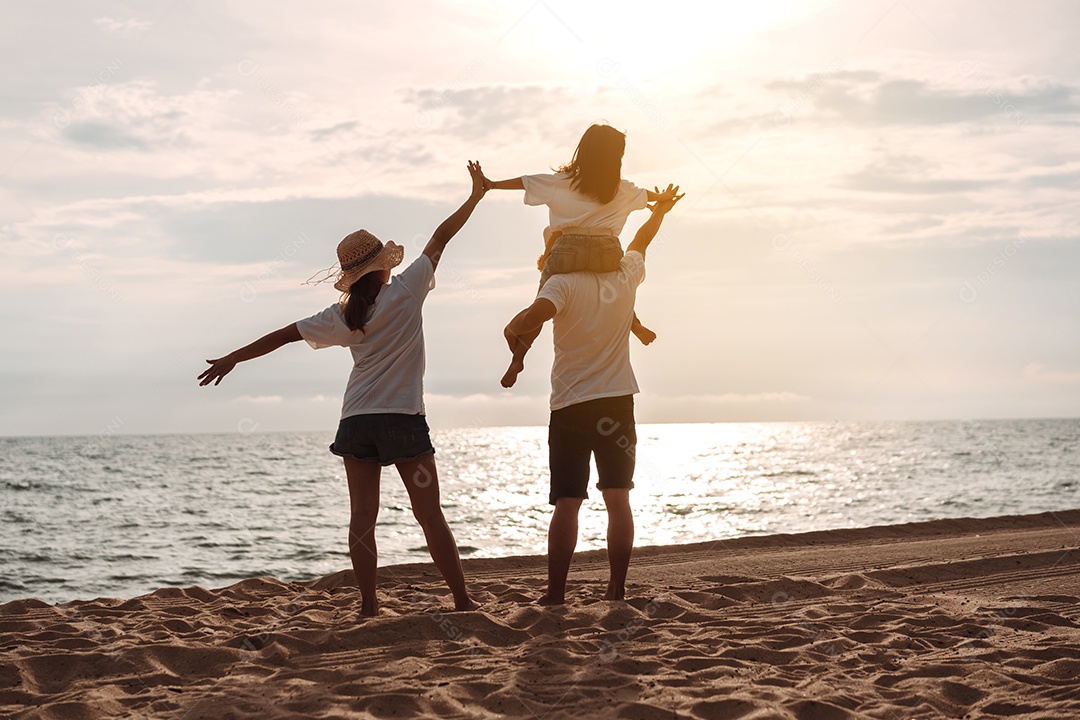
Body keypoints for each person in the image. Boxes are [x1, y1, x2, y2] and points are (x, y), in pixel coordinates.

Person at [197, 162, 488, 617]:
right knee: (429, 515)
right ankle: (463, 601)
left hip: (356, 422)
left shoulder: (340, 315)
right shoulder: (408, 290)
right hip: (402, 420)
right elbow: (441, 236)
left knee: (362, 519)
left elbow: (283, 335)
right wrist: (475, 195)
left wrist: (233, 357)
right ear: (383, 266)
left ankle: (369, 606)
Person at [503, 185, 683, 605]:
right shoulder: (625, 277)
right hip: (617, 401)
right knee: (618, 499)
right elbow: (642, 240)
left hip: (570, 405)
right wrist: (661, 211)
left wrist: (512, 331)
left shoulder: (560, 284)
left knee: (567, 502)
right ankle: (616, 589)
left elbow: (531, 319)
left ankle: (555, 594)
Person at [483, 124, 679, 388]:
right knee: (619, 285)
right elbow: (649, 196)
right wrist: (663, 198)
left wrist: (492, 185)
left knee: (540, 303)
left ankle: (518, 358)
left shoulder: (561, 183)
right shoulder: (622, 188)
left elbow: (526, 182)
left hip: (567, 251)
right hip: (607, 253)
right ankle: (635, 325)